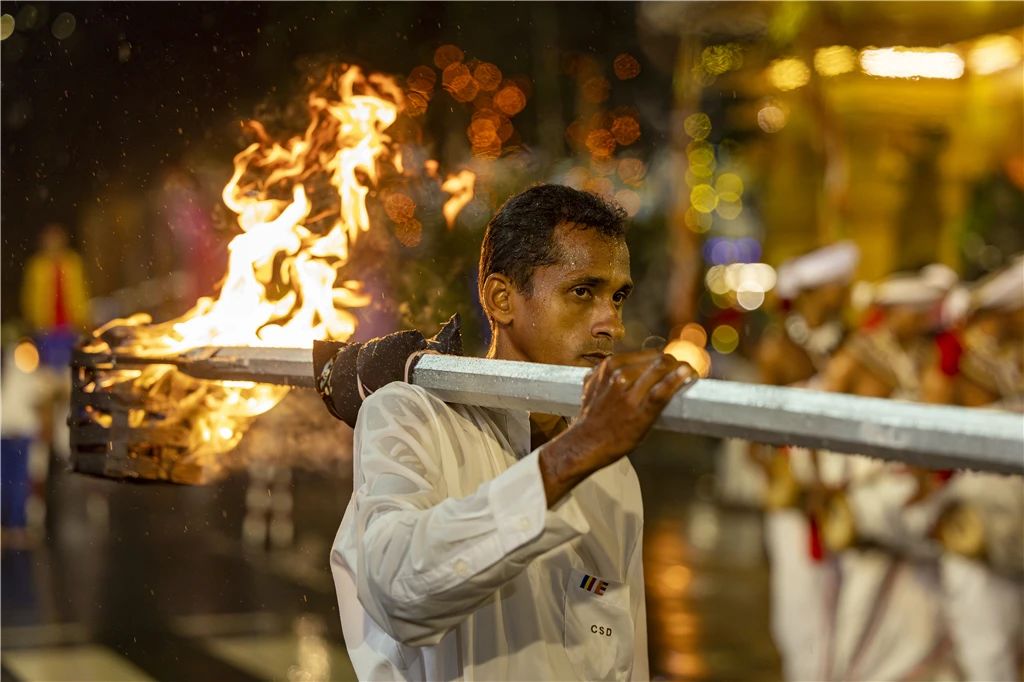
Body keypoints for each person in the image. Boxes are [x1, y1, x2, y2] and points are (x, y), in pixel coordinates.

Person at [330, 185, 696, 680]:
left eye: (618, 297)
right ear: (502, 299)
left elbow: (625, 661)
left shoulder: (615, 475)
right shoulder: (410, 417)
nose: (613, 325)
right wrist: (578, 452)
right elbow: (399, 592)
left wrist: (588, 450)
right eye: (583, 291)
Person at [814, 264, 959, 681]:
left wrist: (925, 479)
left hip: (911, 487)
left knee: (915, 599)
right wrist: (832, 481)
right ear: (895, 310)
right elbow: (820, 416)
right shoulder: (859, 353)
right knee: (862, 597)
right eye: (916, 311)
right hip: (869, 491)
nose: (923, 320)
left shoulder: (925, 356)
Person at [748, 242, 858, 682]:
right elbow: (756, 440)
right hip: (796, 505)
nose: (844, 295)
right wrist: (790, 483)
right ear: (814, 292)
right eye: (836, 287)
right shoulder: (778, 351)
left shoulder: (852, 348)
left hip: (847, 498)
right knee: (800, 609)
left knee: (849, 610)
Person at [922, 257, 1024, 681]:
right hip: (977, 529)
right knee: (987, 656)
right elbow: (926, 435)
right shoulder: (961, 361)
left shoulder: (1009, 363)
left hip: (1015, 533)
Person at [21, 223, 91, 370]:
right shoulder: (37, 265)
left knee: (71, 364)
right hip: (47, 325)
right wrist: (34, 319)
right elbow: (30, 295)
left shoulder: (72, 262)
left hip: (70, 324)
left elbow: (81, 291)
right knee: (50, 367)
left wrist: (82, 316)